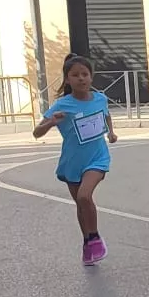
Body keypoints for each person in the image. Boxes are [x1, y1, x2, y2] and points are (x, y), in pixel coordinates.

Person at [33, 53, 117, 266]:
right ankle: (88, 242)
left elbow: (106, 114)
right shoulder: (63, 105)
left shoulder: (100, 98)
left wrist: (111, 133)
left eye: (85, 74)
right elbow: (36, 133)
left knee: (84, 196)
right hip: (72, 162)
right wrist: (51, 122)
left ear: (91, 77)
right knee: (81, 205)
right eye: (75, 75)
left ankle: (95, 237)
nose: (81, 78)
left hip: (97, 158)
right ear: (67, 79)